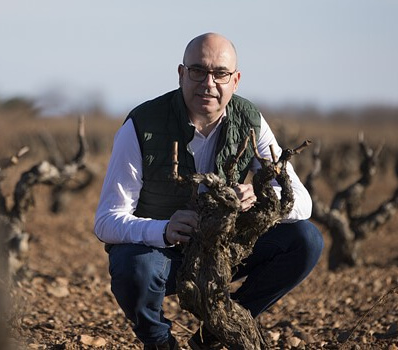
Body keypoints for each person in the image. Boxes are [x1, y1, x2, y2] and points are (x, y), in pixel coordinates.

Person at [94, 33, 324, 350]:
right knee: (133, 268)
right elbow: (106, 220)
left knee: (305, 240)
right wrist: (163, 230)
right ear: (181, 73)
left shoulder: (251, 121)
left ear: (236, 80)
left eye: (220, 74)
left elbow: (302, 202)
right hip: (161, 255)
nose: (208, 84)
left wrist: (259, 196)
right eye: (198, 71)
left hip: (223, 250)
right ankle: (159, 341)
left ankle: (217, 332)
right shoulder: (142, 124)